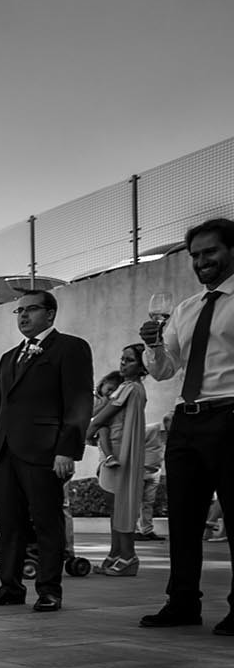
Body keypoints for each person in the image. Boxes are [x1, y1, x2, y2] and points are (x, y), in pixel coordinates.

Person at [137, 218, 234, 634]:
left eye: (209, 252)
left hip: (230, 416)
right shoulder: (186, 308)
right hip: (187, 420)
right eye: (195, 255)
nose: (201, 261)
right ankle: (182, 603)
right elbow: (164, 371)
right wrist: (153, 345)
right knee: (182, 519)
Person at [0, 290, 94, 613]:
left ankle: (49, 589)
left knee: (47, 522)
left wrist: (67, 450)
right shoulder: (8, 357)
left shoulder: (71, 348)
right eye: (18, 312)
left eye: (30, 310)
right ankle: (9, 586)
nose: (23, 316)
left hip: (45, 452)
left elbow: (79, 402)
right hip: (6, 454)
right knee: (10, 524)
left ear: (51, 314)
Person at [89, 346, 148, 576]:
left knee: (121, 504)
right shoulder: (126, 387)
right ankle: (116, 553)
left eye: (130, 360)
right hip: (113, 452)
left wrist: (86, 433)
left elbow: (99, 419)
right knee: (114, 506)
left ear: (142, 367)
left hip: (121, 454)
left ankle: (128, 556)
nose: (123, 363)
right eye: (122, 359)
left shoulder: (130, 388)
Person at [136, 412, 171, 541]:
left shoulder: (172, 436)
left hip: (155, 471)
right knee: (135, 502)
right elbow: (133, 442)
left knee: (148, 503)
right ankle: (133, 531)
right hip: (140, 470)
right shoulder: (151, 429)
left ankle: (147, 530)